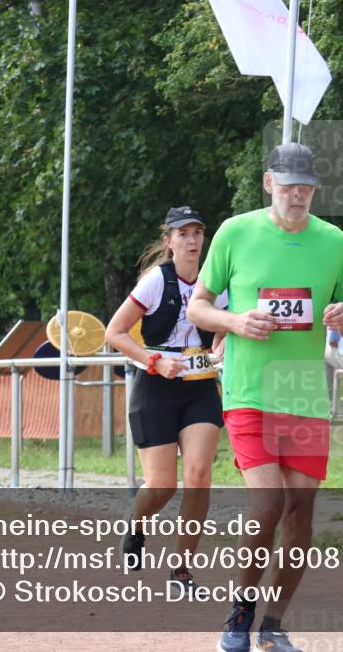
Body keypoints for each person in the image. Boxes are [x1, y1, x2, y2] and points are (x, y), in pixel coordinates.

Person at [186, 142, 343, 652]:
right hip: (249, 390)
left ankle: (273, 623)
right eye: (289, 187)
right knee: (268, 502)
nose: (298, 196)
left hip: (305, 395)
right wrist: (235, 320)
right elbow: (199, 307)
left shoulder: (334, 241)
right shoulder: (235, 232)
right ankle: (239, 614)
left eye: (306, 188)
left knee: (300, 513)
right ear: (269, 184)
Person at [105, 206, 228, 594]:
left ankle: (181, 570)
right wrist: (154, 361)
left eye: (197, 233)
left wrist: (219, 348)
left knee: (198, 477)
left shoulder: (217, 283)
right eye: (183, 234)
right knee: (163, 485)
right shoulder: (156, 281)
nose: (192, 241)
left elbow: (223, 328)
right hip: (156, 388)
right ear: (169, 241)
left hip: (200, 387)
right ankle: (136, 522)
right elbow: (115, 332)